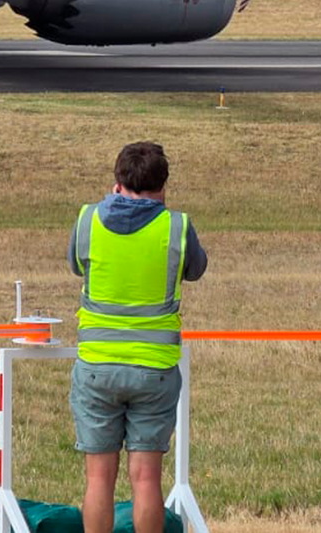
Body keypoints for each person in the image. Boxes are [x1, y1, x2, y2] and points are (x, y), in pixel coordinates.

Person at [67, 141, 208, 533]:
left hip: (98, 366)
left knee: (99, 479)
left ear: (117, 181)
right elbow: (196, 268)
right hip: (154, 370)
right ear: (163, 185)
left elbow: (76, 264)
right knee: (146, 479)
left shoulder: (88, 220)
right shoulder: (175, 226)